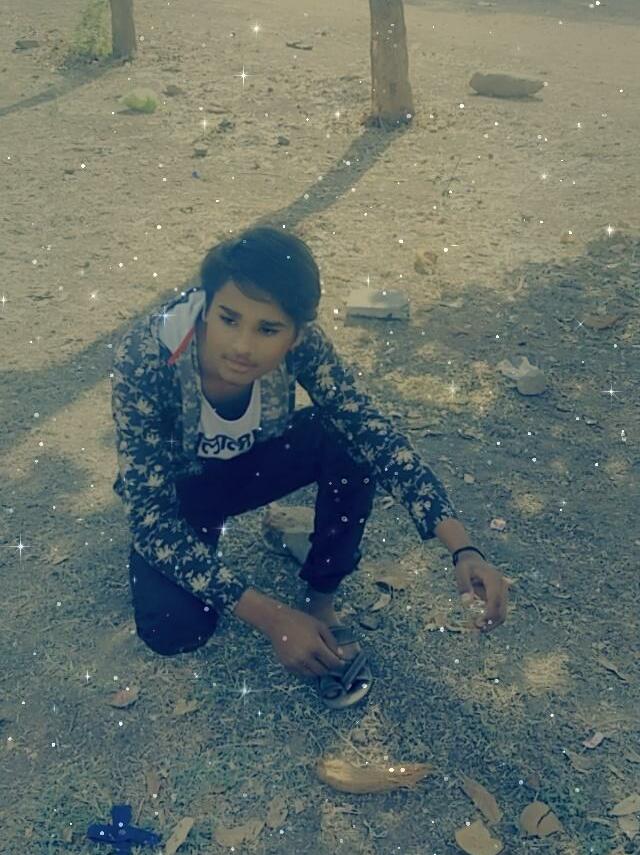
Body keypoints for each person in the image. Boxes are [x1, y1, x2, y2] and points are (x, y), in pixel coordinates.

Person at [111, 225, 509, 709]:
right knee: (174, 630)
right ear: (206, 306)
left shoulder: (305, 346)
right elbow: (150, 520)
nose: (242, 346)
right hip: (182, 491)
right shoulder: (147, 356)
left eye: (268, 329)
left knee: (349, 438)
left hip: (252, 463)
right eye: (229, 319)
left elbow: (374, 432)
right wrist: (273, 618)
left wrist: (463, 547)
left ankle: (321, 600)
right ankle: (220, 544)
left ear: (297, 333)